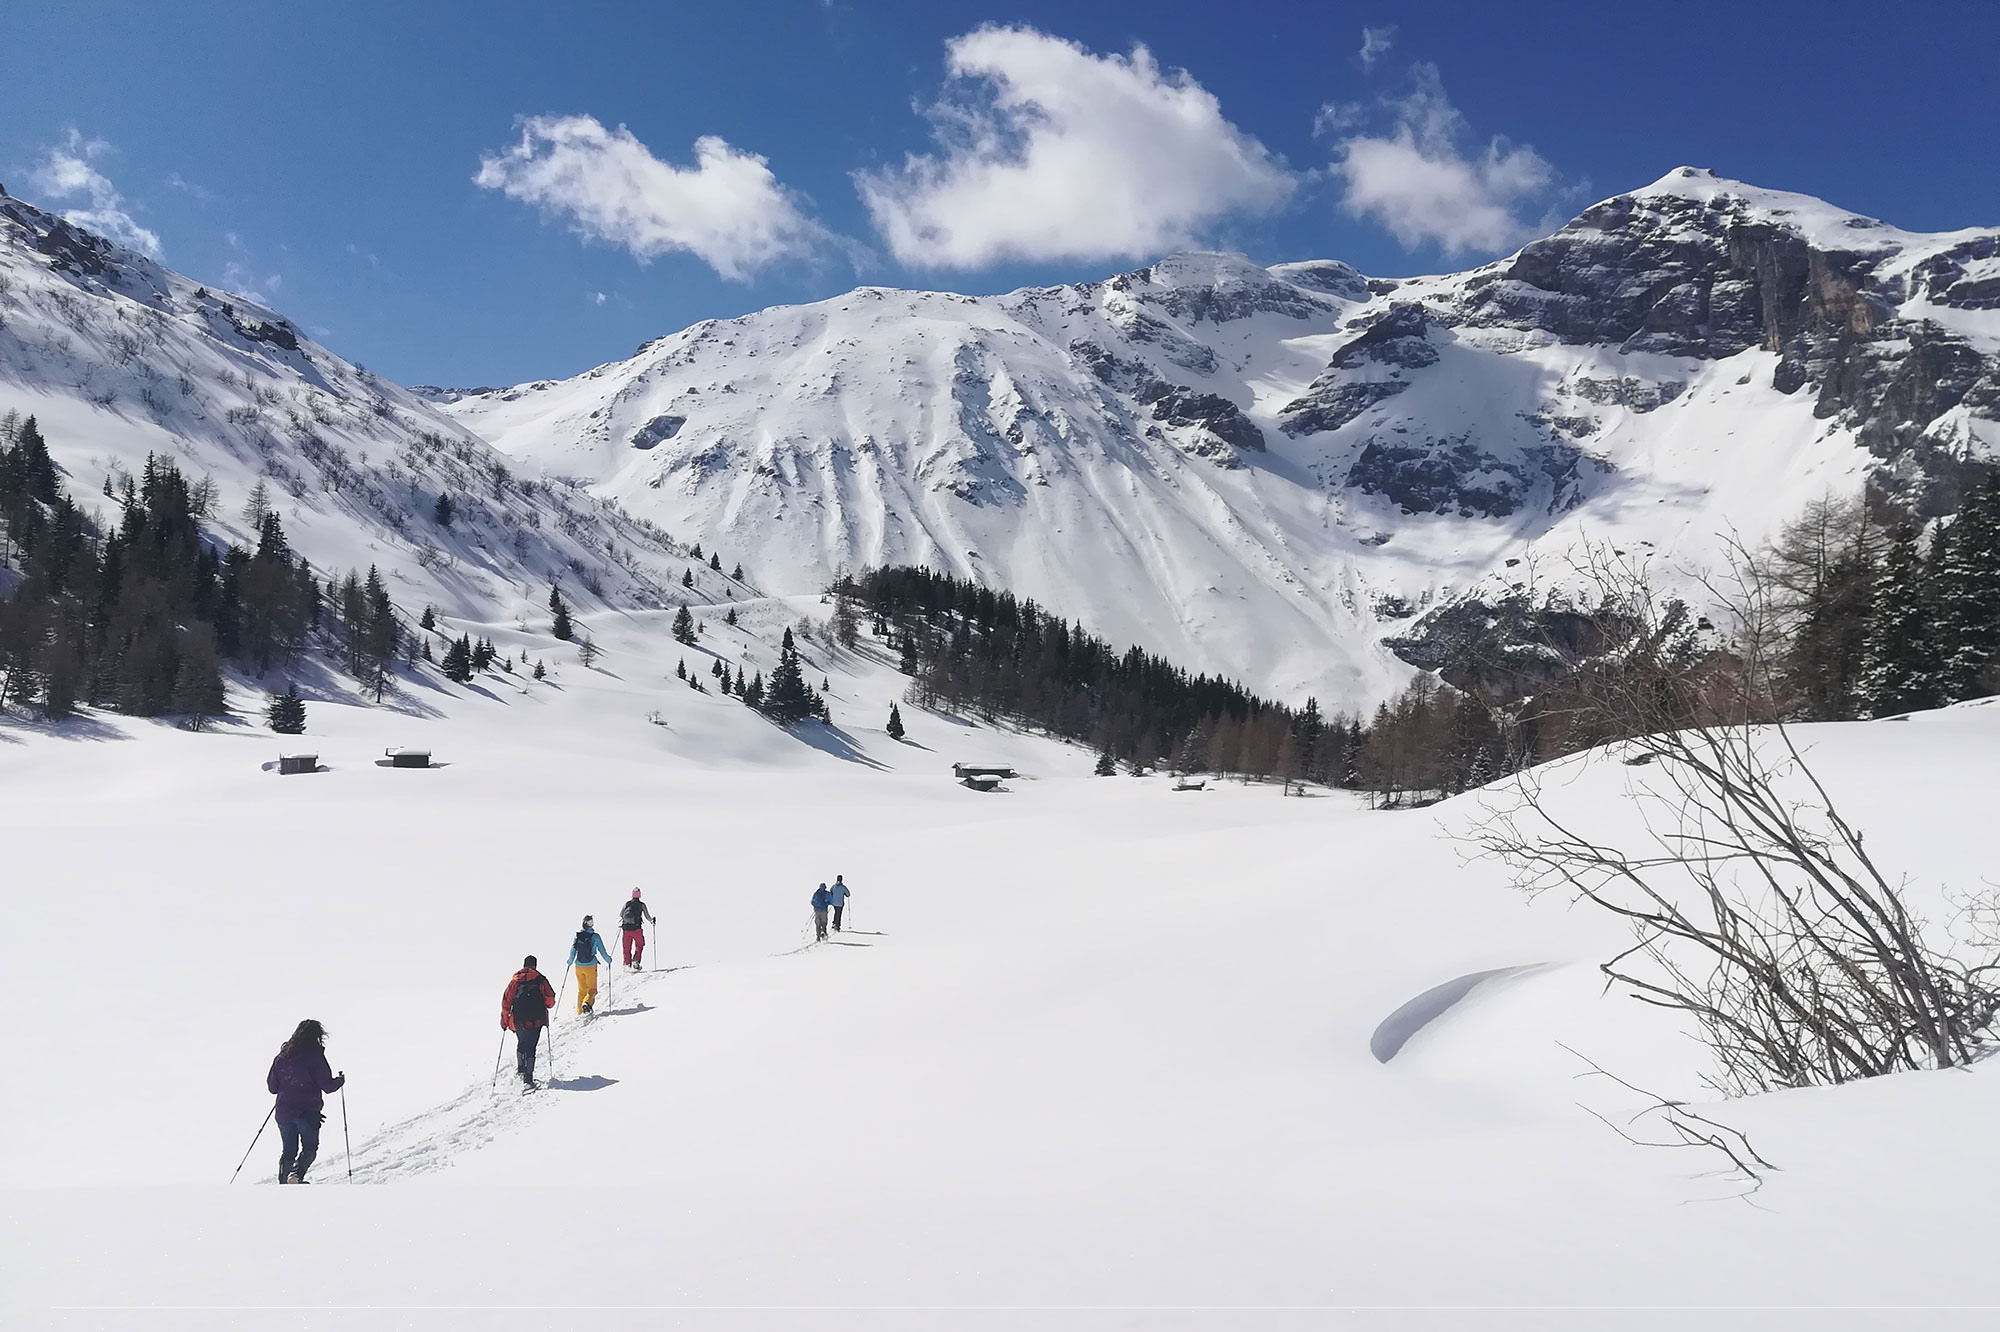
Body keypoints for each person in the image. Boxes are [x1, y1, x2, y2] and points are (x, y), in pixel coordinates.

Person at [266, 1019, 345, 1184]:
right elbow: (327, 1086)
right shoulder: (315, 1057)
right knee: (309, 1148)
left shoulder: (281, 1057)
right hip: (307, 1113)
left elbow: (273, 1087)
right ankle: (295, 1176)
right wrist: (339, 1081)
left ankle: (284, 1181)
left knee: (288, 1150)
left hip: (283, 1112)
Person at [502, 955, 556, 1088]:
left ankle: (521, 1069)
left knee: (522, 1043)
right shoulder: (541, 979)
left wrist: (504, 1019)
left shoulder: (515, 981)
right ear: (535, 966)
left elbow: (506, 1001)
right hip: (536, 1019)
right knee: (531, 1047)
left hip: (518, 1019)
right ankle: (528, 1078)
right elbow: (550, 999)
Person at [568, 916, 613, 1015]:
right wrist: (608, 960)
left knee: (581, 990)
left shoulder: (578, 936)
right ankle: (587, 1004)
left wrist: (570, 961)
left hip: (578, 966)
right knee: (592, 989)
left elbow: (573, 951)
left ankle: (579, 1012)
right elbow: (602, 951)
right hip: (590, 966)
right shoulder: (595, 936)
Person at [619, 889, 655, 971]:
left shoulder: (627, 904)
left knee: (626, 947)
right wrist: (652, 921)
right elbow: (647, 916)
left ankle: (627, 964)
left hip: (626, 930)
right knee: (640, 945)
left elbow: (621, 915)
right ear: (639, 895)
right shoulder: (642, 905)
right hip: (637, 929)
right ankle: (636, 961)